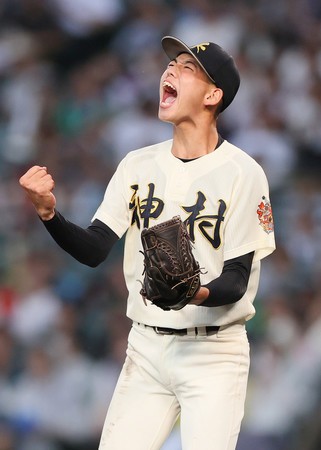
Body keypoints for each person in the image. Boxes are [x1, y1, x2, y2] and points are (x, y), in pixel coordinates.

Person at [19, 36, 276, 450]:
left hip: (214, 354)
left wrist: (193, 292)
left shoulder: (243, 173)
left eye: (187, 68)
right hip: (146, 348)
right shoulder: (137, 164)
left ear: (213, 95)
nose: (170, 71)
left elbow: (237, 280)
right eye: (170, 64)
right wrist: (50, 213)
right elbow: (94, 248)